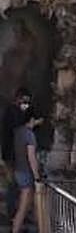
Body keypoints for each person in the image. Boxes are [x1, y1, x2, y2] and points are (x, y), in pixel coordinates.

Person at [8, 105, 40, 233]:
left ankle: (41, 232)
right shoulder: (29, 134)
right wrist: (37, 176)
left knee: (30, 205)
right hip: (26, 173)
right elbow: (31, 157)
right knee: (23, 207)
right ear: (32, 119)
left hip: (18, 171)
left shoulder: (17, 132)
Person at [2, 87, 31, 222]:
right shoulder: (13, 112)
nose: (26, 104)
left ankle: (15, 214)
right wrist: (31, 125)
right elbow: (19, 131)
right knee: (14, 185)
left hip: (11, 154)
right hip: (13, 154)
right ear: (19, 98)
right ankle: (14, 215)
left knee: (14, 185)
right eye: (25, 101)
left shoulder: (12, 111)